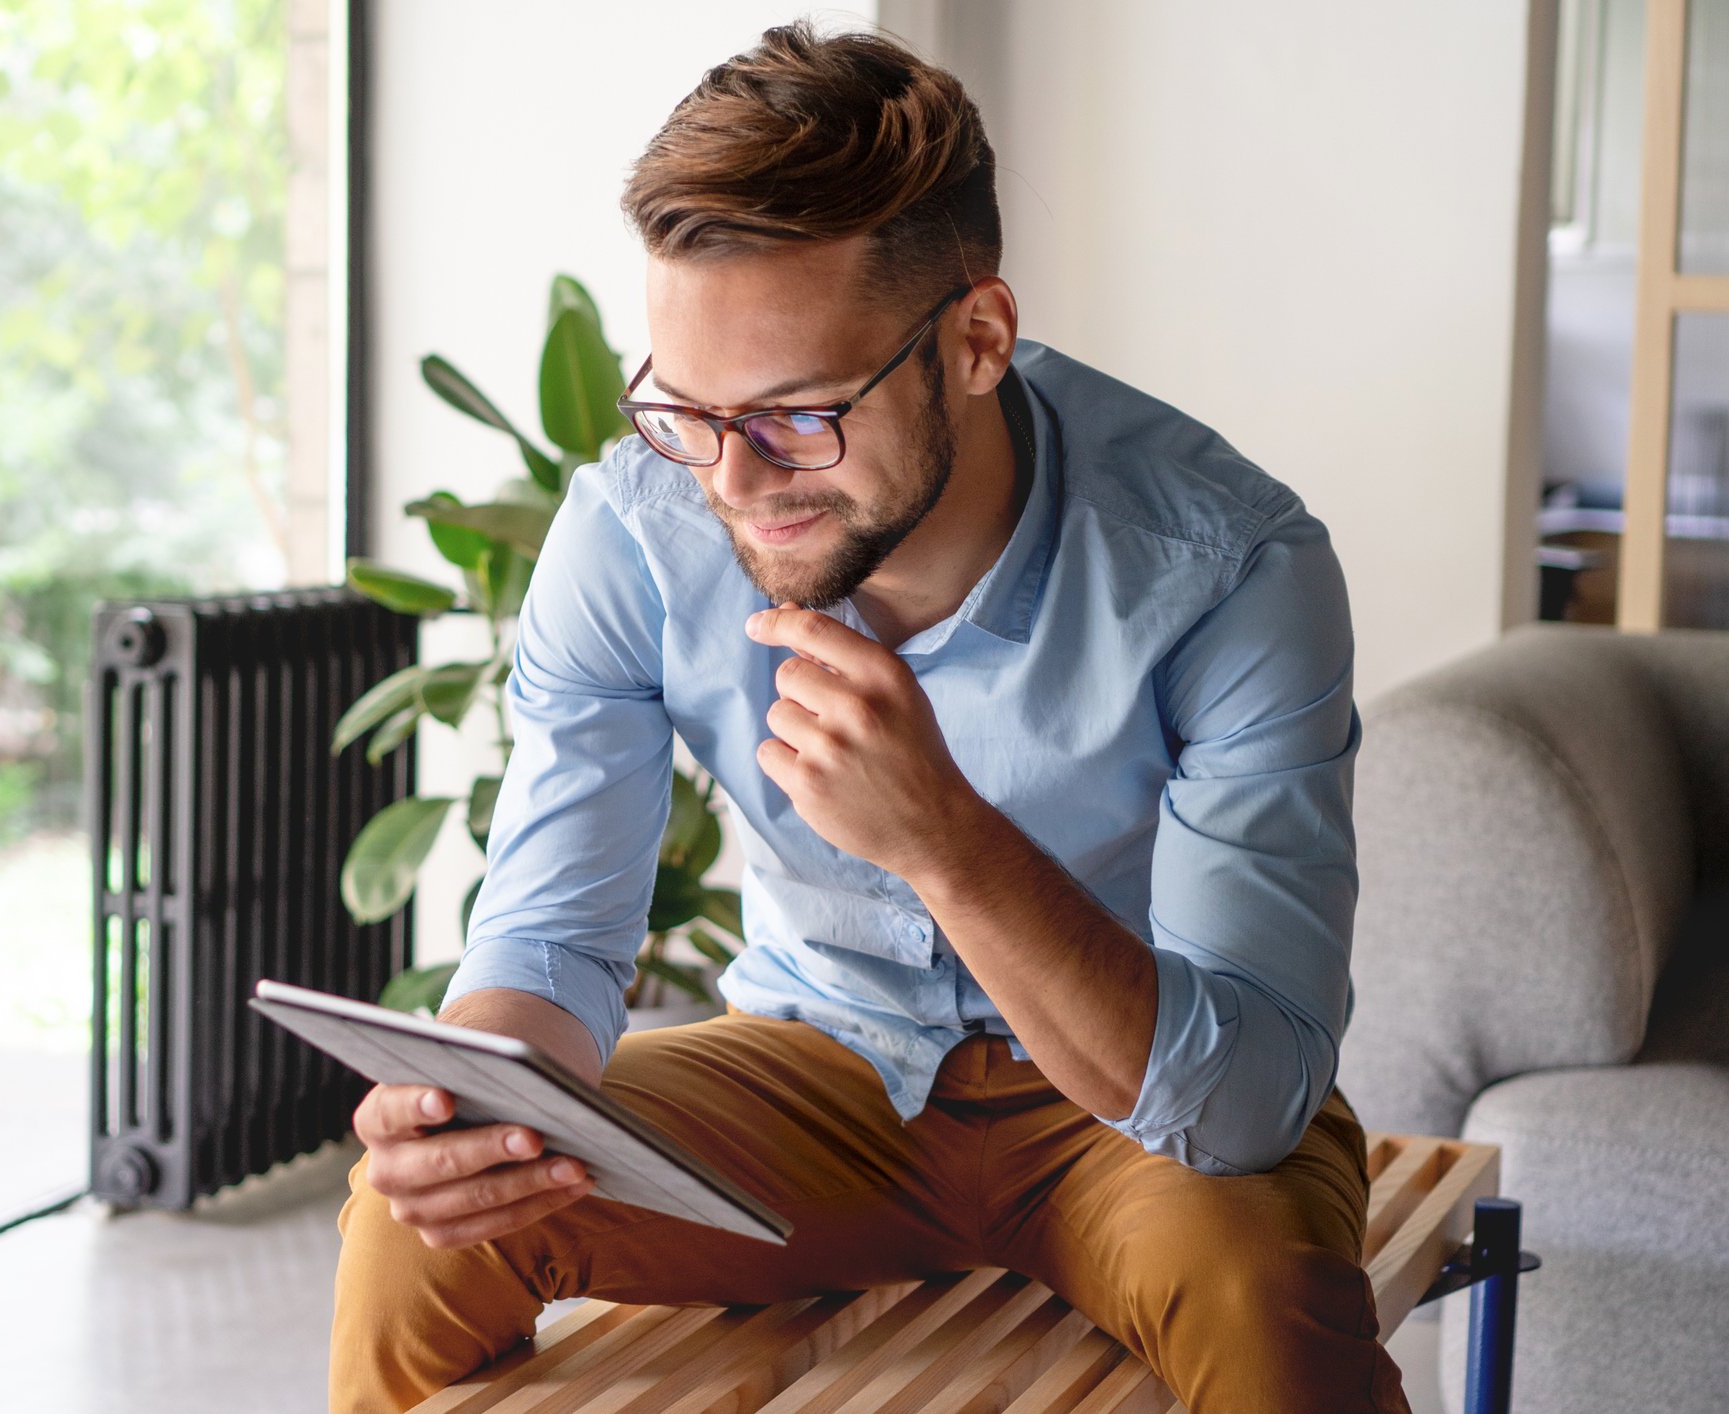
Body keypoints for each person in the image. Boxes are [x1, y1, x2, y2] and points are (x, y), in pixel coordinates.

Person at [330, 22, 1404, 1413]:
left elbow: (1243, 1096)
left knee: (1268, 1309)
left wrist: (947, 840)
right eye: (686, 411)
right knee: (413, 1234)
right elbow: (549, 936)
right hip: (815, 1067)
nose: (731, 476)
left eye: (796, 414)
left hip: (1133, 1105)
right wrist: (479, 1106)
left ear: (976, 338)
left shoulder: (1227, 567)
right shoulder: (634, 533)